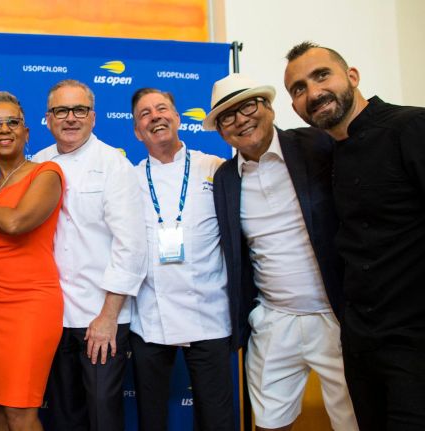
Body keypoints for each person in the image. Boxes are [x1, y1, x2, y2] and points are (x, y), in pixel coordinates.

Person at [284, 42, 425, 430]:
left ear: (352, 76)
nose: (312, 93)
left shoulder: (411, 127)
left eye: (320, 76)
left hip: (414, 345)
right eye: (298, 89)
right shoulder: (327, 153)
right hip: (361, 346)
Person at [207, 73, 357, 431]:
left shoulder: (317, 145)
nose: (240, 119)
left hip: (336, 318)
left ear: (269, 108)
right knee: (269, 423)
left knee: (354, 420)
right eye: (228, 116)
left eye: (247, 106)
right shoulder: (225, 178)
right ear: (221, 131)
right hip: (273, 321)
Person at [32, 79, 147, 431]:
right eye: (61, 111)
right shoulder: (38, 163)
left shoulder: (113, 164)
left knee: (102, 416)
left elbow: (131, 246)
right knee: (64, 415)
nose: (70, 118)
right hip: (53, 316)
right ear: (48, 119)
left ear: (93, 117)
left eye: (79, 110)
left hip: (100, 317)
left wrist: (108, 317)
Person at [129, 88, 235, 430]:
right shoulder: (129, 180)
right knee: (151, 418)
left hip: (209, 311)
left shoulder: (215, 168)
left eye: (162, 109)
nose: (155, 116)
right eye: (145, 113)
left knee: (216, 417)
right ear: (136, 129)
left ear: (177, 117)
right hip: (149, 315)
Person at [0, 91, 64, 431]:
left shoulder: (46, 173)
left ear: (26, 133)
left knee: (20, 413)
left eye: (13, 121)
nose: (4, 128)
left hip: (31, 305)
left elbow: (15, 223)